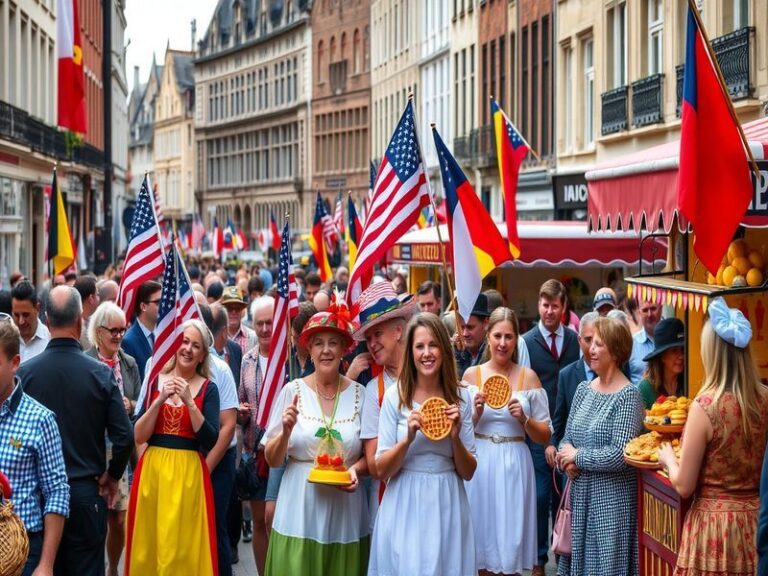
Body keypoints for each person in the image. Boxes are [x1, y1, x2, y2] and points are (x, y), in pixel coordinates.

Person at [18, 286, 134, 576]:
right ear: (81, 321)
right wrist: (112, 477)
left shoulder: (26, 375)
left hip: (40, 499)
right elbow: (124, 436)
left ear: (46, 319)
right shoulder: (100, 373)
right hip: (85, 491)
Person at [660, 297, 768, 576]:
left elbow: (684, 485)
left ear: (712, 354)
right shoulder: (765, 400)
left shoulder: (705, 407)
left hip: (713, 531)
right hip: (754, 523)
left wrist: (668, 458)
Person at [262, 301, 369, 574]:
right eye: (318, 343)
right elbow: (272, 459)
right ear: (308, 349)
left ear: (344, 349)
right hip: (299, 509)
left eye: (333, 343)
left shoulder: (361, 394)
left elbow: (371, 457)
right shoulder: (292, 391)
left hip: (345, 511)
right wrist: (285, 432)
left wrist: (355, 471)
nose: (326, 350)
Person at [370, 313, 476, 575]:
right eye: (419, 346)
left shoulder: (461, 396)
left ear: (443, 349)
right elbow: (381, 469)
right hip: (404, 501)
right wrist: (407, 439)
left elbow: (469, 471)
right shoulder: (396, 395)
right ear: (411, 352)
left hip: (447, 500)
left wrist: (455, 437)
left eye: (433, 345)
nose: (427, 353)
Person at [125, 320, 221, 575]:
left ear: (202, 355)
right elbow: (139, 434)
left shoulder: (208, 388)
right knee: (151, 543)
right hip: (154, 471)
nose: (188, 349)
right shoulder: (157, 378)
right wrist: (158, 401)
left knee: (183, 546)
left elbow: (211, 440)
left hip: (188, 474)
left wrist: (190, 402)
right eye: (185, 342)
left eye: (196, 346)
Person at [463, 307, 551, 575]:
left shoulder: (528, 377)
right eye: (498, 336)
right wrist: (475, 415)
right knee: (481, 538)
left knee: (510, 542)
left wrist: (525, 420)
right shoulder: (471, 376)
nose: (503, 343)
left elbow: (545, 434)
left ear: (517, 340)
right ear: (488, 336)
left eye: (509, 337)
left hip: (515, 463)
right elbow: (459, 432)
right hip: (480, 462)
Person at [556, 317, 644, 576]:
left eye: (599, 344)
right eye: (591, 343)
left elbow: (620, 453)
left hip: (611, 502)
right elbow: (566, 438)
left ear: (616, 352)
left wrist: (578, 457)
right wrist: (566, 458)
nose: (591, 349)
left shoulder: (629, 396)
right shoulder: (583, 389)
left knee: (606, 568)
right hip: (580, 497)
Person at [0, 320, 69, 576]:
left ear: (15, 362)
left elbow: (57, 492)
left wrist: (46, 564)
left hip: (22, 551)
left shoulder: (40, 419)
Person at [522, 279, 580, 575]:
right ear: (539, 306)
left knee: (563, 497)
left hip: (567, 430)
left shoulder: (573, 340)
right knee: (540, 495)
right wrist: (542, 439)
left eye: (554, 306)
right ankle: (539, 559)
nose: (549, 311)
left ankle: (564, 555)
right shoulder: (528, 341)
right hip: (537, 431)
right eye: (545, 305)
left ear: (563, 308)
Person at [84, 302, 141, 576]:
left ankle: (113, 569)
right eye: (113, 331)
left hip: (120, 450)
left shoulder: (129, 364)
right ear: (98, 332)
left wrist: (129, 404)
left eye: (122, 329)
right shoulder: (85, 362)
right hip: (93, 448)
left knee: (118, 520)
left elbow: (140, 405)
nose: (119, 336)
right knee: (97, 517)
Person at [355, 283, 416, 529]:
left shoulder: (430, 373)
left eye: (378, 334)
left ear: (399, 331)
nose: (372, 343)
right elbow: (373, 464)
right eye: (368, 338)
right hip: (390, 496)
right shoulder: (373, 390)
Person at [238, 296, 275, 575]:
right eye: (260, 323)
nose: (264, 329)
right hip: (254, 453)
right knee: (260, 521)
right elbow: (241, 401)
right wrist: (241, 413)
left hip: (285, 452)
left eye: (269, 322)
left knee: (279, 521)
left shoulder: (289, 360)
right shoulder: (248, 360)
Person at [546, 312, 599, 472]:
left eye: (598, 341)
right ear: (579, 340)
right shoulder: (567, 375)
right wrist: (551, 444)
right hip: (572, 463)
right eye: (588, 340)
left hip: (599, 462)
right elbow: (560, 418)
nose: (592, 347)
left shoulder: (616, 374)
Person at [455, 293, 531, 379]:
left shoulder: (515, 345)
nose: (465, 333)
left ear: (485, 323)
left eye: (470, 327)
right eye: (462, 327)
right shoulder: (456, 353)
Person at [637, 318, 685, 409]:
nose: (681, 356)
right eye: (674, 350)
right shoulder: (645, 389)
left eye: (683, 349)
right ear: (662, 356)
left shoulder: (689, 382)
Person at [121, 280, 161, 381]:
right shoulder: (128, 341)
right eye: (158, 302)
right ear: (143, 306)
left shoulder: (164, 334)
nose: (163, 305)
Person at [11, 280, 50, 364]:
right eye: (16, 315)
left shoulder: (49, 340)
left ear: (37, 308)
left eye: (26, 315)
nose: (21, 321)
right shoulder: (5, 340)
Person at [628, 298, 662, 383]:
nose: (649, 314)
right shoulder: (631, 345)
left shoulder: (672, 339)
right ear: (639, 312)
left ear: (661, 308)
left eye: (653, 309)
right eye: (645, 310)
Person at [221, 286, 257, 355]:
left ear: (242, 311)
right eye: (229, 308)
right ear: (223, 310)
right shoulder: (217, 336)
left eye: (237, 308)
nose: (233, 312)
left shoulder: (253, 338)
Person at [74, 275, 100, 349]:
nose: (99, 298)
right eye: (97, 294)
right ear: (91, 298)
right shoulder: (77, 327)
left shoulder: (92, 321)